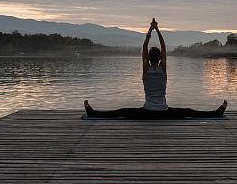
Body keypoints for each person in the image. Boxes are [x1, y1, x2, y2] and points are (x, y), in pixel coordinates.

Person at [84, 17, 227, 119]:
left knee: (120, 112)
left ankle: (93, 113)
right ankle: (215, 113)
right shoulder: (163, 70)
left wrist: (149, 31)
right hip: (164, 111)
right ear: (160, 58)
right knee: (189, 111)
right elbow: (164, 47)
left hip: (147, 111)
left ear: (148, 58)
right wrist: (157, 29)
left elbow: (144, 48)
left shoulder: (145, 70)